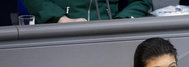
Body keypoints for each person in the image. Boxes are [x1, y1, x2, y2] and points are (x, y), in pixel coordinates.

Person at [24, 0, 152, 24]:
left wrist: (120, 21)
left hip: (110, 35)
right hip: (61, 32)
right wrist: (60, 19)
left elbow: (141, 1)